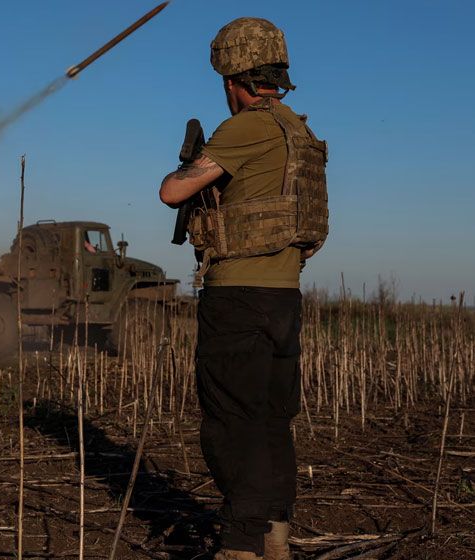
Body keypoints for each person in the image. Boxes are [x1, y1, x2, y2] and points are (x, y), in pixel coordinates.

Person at [158, 17, 328, 560]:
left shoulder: (244, 127)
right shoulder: (298, 131)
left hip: (238, 297)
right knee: (272, 422)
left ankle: (240, 544)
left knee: (232, 423)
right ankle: (274, 536)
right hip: (284, 299)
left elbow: (170, 192)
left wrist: (189, 162)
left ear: (232, 77)